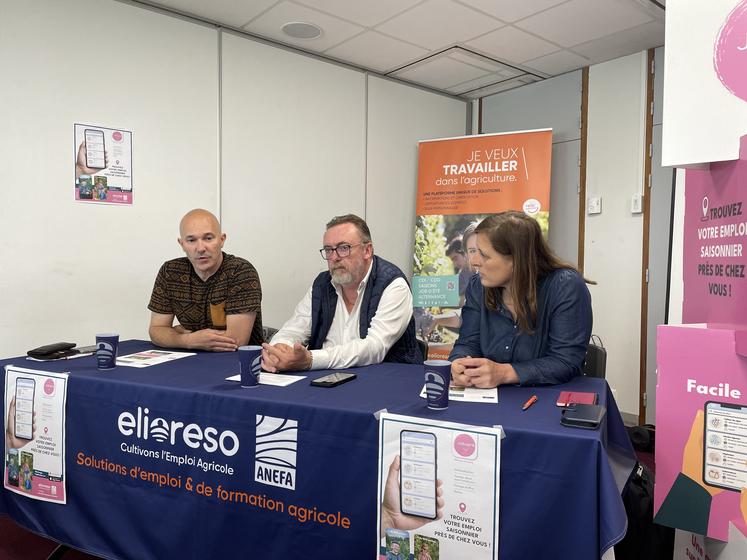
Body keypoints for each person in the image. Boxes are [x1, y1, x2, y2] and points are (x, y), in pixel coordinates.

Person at [450, 211, 593, 387]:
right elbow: (467, 342)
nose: (474, 262)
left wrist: (504, 373)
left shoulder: (566, 287)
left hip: (547, 399)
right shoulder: (477, 287)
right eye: (474, 252)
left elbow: (565, 362)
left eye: (484, 255)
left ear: (518, 259)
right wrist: (459, 364)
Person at [262, 214, 421, 372]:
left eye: (343, 248)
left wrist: (311, 359)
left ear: (367, 250)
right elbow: (294, 329)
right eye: (329, 250)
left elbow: (374, 348)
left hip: (385, 381)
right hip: (325, 380)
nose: (335, 257)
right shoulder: (322, 285)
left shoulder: (393, 285)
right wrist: (279, 350)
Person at [148, 209, 263, 351]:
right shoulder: (170, 271)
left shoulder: (240, 272)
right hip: (187, 361)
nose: (200, 248)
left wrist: (175, 334)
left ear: (222, 240)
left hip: (236, 364)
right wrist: (187, 340)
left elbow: (235, 341)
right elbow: (156, 331)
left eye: (208, 238)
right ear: (181, 244)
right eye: (191, 240)